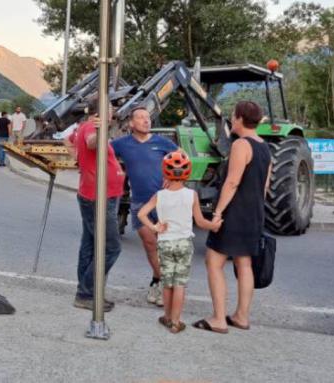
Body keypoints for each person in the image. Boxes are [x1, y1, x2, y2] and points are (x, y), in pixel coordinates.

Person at [194, 101, 273, 334]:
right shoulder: (264, 147)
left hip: (235, 212)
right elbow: (265, 186)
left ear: (239, 118)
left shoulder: (241, 145)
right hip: (255, 212)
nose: (231, 119)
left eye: (233, 116)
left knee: (213, 262)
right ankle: (241, 316)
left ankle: (218, 318)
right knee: (244, 262)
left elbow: (232, 182)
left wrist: (218, 212)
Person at [137, 150, 221, 333]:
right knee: (180, 284)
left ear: (165, 172)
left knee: (167, 283)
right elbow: (200, 222)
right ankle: (176, 322)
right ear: (187, 172)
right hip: (184, 243)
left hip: (165, 242)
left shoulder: (159, 195)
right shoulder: (192, 195)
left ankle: (167, 317)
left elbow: (141, 214)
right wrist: (213, 225)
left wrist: (154, 228)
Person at [112, 106, 178, 306]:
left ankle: (159, 282)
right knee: (150, 243)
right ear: (131, 123)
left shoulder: (162, 142)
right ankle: (162, 281)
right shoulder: (122, 144)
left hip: (165, 201)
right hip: (140, 203)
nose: (145, 120)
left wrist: (172, 176)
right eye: (140, 117)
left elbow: (182, 159)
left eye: (148, 117)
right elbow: (102, 153)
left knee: (166, 246)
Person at [63, 99, 125, 311]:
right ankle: (86, 292)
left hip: (97, 194)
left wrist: (80, 160)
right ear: (101, 112)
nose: (113, 111)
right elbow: (91, 142)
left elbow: (68, 141)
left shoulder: (83, 126)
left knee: (89, 246)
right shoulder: (92, 127)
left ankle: (87, 292)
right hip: (99, 197)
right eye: (110, 108)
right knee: (111, 247)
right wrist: (101, 130)